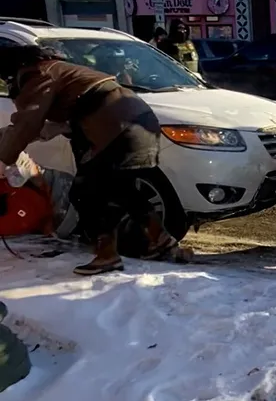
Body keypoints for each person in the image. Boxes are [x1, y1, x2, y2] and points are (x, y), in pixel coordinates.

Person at [0, 45, 189, 275]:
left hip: (116, 128)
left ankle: (107, 255)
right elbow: (62, 118)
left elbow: (27, 122)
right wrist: (21, 136)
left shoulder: (38, 74)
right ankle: (160, 240)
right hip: (139, 124)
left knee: (87, 192)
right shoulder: (61, 69)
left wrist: (4, 158)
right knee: (123, 189)